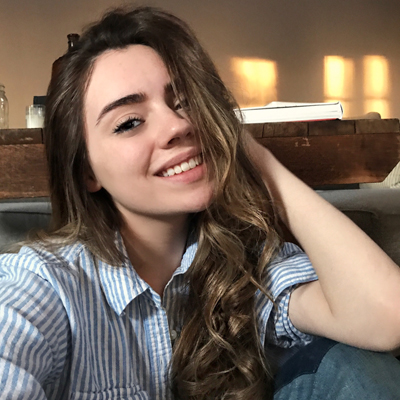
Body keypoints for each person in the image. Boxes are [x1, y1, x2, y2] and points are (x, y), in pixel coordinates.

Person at [0, 6, 400, 400]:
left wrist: (257, 161)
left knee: (356, 365)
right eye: (129, 122)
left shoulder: (247, 264)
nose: (179, 125)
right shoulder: (41, 286)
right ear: (87, 171)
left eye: (185, 102)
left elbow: (386, 317)